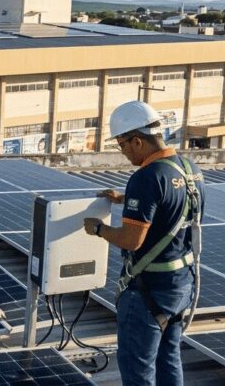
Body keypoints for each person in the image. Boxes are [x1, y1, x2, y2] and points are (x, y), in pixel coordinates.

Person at [82, 100, 204, 386]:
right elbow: (171, 204)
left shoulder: (146, 177)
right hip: (181, 285)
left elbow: (131, 240)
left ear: (137, 141)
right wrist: (125, 200)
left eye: (121, 145)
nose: (122, 152)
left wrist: (99, 228)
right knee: (168, 359)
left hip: (149, 291)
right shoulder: (189, 168)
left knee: (137, 370)